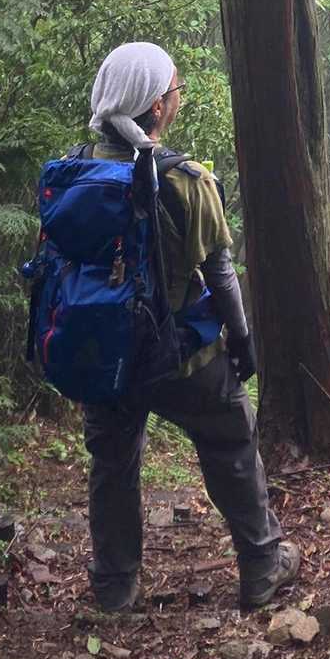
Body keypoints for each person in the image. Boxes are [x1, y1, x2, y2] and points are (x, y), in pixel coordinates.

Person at [79, 40, 299, 612]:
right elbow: (220, 274)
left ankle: (115, 586)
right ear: (157, 106)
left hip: (102, 357)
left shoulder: (75, 173)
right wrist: (242, 342)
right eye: (175, 89)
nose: (178, 97)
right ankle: (262, 565)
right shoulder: (186, 180)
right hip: (177, 355)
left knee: (113, 463)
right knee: (231, 438)